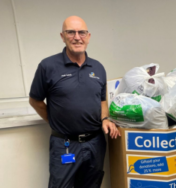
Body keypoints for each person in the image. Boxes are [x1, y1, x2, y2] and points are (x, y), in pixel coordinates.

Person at [29, 16, 120, 188]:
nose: (77, 37)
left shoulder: (98, 67)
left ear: (88, 36)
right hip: (65, 144)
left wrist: (105, 119)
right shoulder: (48, 66)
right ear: (62, 36)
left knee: (91, 184)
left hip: (95, 143)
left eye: (81, 32)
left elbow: (102, 100)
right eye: (71, 32)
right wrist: (54, 121)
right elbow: (35, 100)